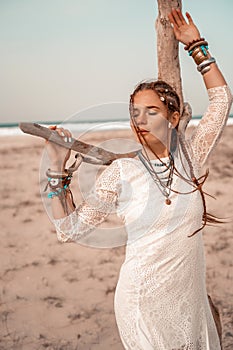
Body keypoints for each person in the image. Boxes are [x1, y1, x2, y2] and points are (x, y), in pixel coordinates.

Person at [45, 8, 232, 350]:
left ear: (174, 118)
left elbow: (221, 101)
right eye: (134, 113)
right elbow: (68, 230)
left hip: (189, 301)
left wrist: (197, 47)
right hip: (141, 303)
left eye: (152, 111)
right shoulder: (121, 173)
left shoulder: (192, 157)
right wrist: (56, 170)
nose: (140, 120)